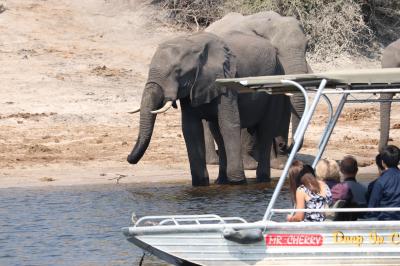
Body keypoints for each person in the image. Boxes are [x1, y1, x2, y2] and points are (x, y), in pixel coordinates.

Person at [368, 145, 400, 220]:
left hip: (386, 221)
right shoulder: (381, 181)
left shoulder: (380, 181)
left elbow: (372, 208)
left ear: (382, 163)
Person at [335, 155, 367, 220]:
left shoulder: (337, 189)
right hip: (360, 224)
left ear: (341, 170)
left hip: (340, 226)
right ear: (357, 170)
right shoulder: (365, 189)